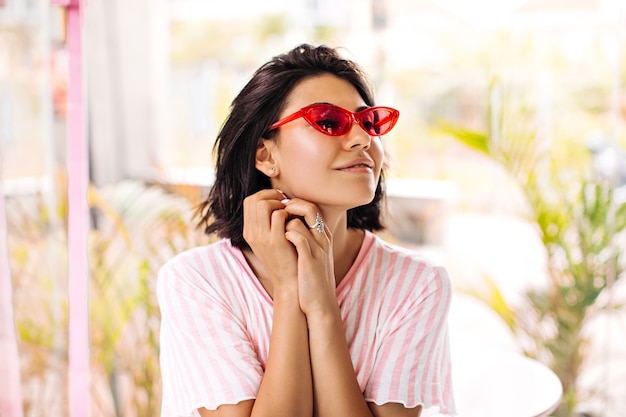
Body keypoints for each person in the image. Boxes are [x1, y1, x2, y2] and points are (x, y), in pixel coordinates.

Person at [157, 43, 456, 417]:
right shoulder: (197, 283)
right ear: (265, 155)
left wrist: (322, 306)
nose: (363, 139)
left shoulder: (416, 284)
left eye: (368, 122)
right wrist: (288, 290)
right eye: (329, 122)